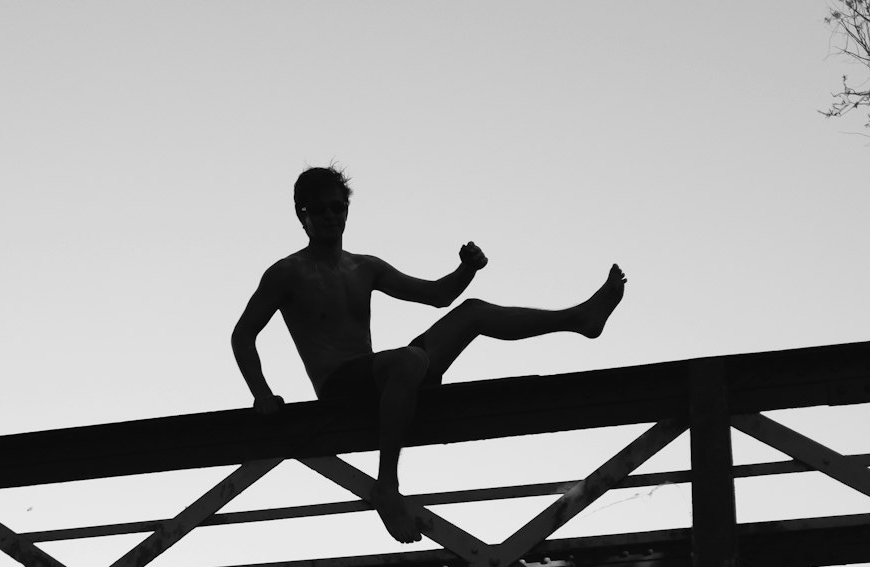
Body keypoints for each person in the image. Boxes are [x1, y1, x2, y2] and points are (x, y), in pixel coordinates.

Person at [232, 166, 626, 546]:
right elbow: (243, 335)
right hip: (339, 386)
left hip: (382, 378)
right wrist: (261, 393)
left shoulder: (364, 267)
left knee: (471, 311)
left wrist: (466, 269)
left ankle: (580, 318)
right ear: (302, 216)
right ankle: (386, 486)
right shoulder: (287, 273)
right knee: (405, 360)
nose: (330, 216)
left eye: (337, 207)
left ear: (347, 209)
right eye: (318, 210)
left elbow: (437, 296)